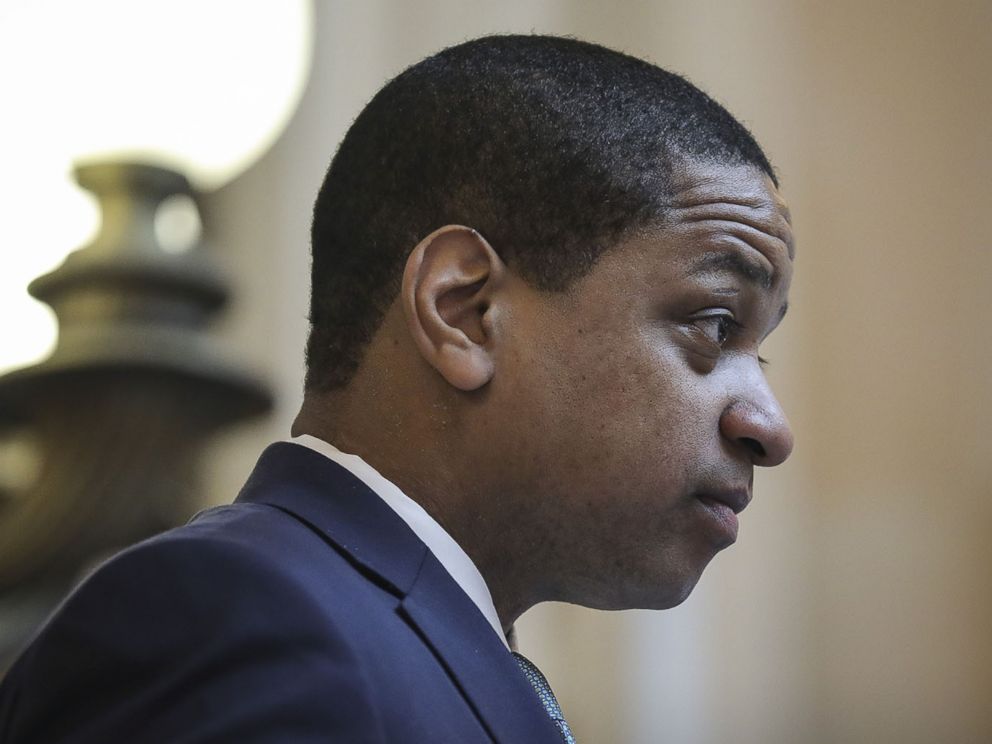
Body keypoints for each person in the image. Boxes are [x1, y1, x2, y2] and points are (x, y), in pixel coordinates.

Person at [0, 34, 794, 743]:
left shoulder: (380, 637)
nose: (770, 426)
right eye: (717, 323)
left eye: (760, 352)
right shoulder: (236, 621)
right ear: (464, 312)